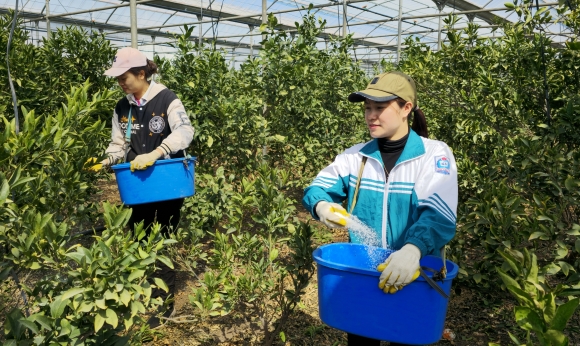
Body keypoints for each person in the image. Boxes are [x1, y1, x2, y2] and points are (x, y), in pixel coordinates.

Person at [302, 71, 458, 345]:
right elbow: (317, 188)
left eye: (380, 107)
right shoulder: (356, 156)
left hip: (415, 273)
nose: (371, 115)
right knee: (363, 337)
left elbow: (438, 214)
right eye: (367, 108)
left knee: (407, 337)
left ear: (406, 108)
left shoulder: (433, 154)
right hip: (366, 275)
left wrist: (412, 250)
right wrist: (323, 205)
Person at [89, 47, 194, 329]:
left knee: (164, 239)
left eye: (125, 77)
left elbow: (185, 132)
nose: (121, 83)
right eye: (118, 78)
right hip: (137, 186)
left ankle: (163, 306)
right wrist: (106, 161)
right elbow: (119, 144)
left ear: (141, 73)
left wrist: (157, 152)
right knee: (138, 237)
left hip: (166, 181)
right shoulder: (122, 107)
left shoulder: (166, 99)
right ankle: (139, 295)